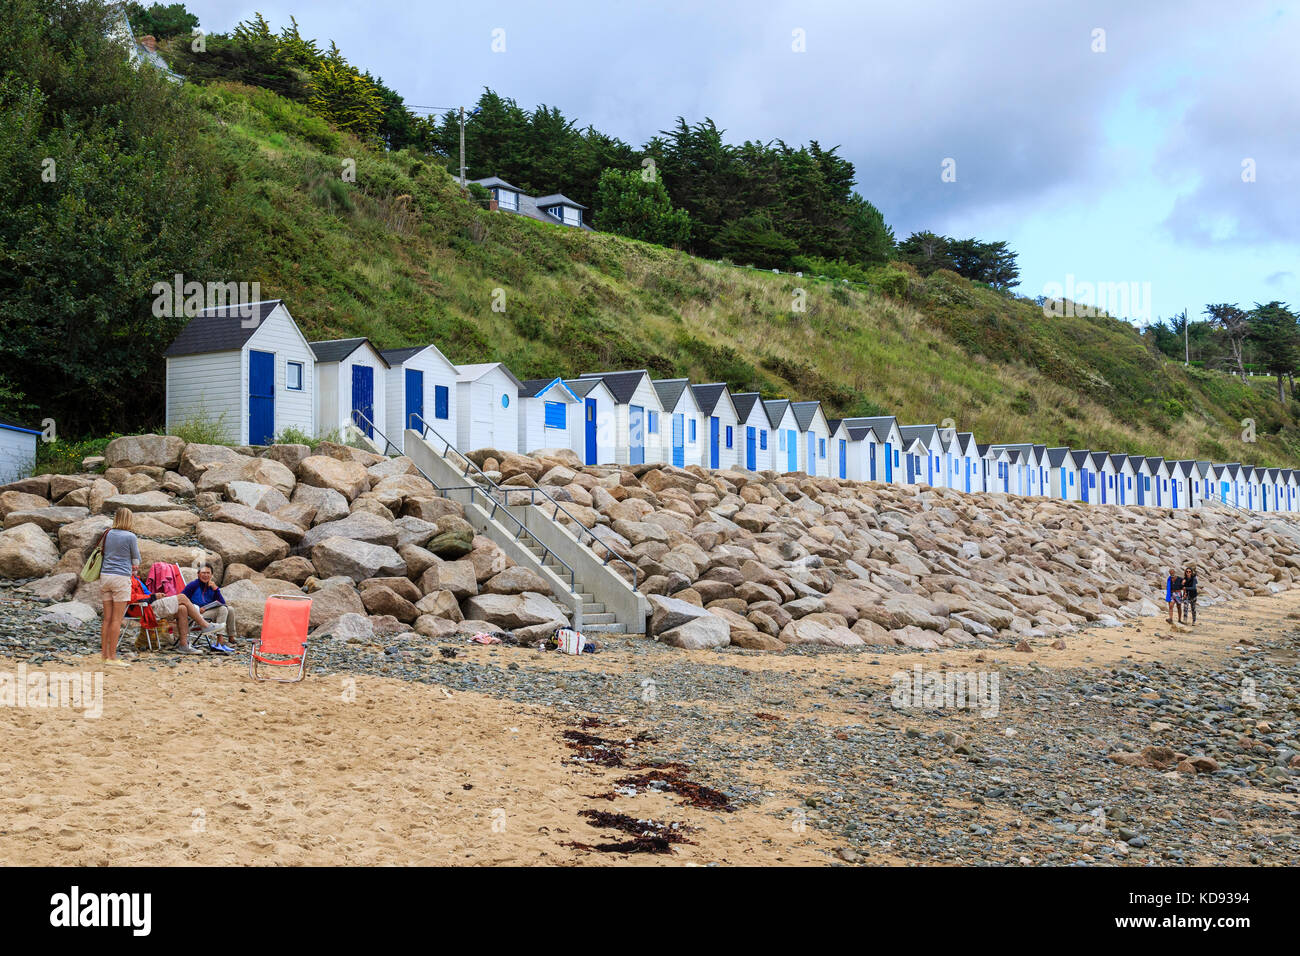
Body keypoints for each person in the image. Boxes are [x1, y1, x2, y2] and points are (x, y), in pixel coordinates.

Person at [99, 508, 140, 667]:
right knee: (117, 619)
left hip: (105, 576)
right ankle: (112, 657)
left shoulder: (108, 533)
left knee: (107, 619)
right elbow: (136, 560)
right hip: (120, 578)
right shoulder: (130, 536)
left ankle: (104, 655)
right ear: (129, 519)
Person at [141, 575, 219, 654]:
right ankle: (205, 625)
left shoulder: (136, 579)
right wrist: (153, 596)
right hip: (146, 607)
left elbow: (221, 601)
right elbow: (133, 598)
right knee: (182, 597)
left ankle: (183, 645)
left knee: (182, 609)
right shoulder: (129, 581)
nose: (135, 567)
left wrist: (216, 589)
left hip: (151, 602)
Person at [182, 564, 236, 653]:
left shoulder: (212, 586)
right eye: (203, 573)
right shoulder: (193, 585)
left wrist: (216, 589)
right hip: (196, 615)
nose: (206, 575)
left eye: (208, 573)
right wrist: (195, 609)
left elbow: (223, 603)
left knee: (230, 609)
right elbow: (182, 598)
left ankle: (231, 639)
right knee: (222, 609)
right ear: (198, 574)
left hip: (208, 612)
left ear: (211, 575)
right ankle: (220, 641)